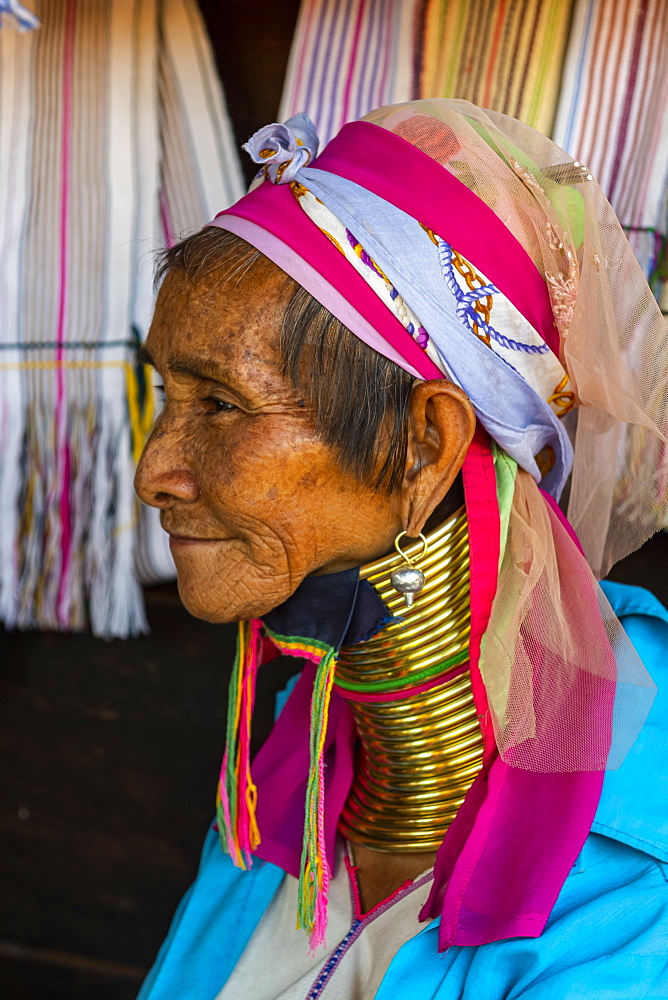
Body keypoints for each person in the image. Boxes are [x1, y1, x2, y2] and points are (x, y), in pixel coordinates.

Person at [133, 100, 668, 999]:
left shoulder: (638, 878)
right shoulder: (293, 770)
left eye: (221, 405)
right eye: (166, 397)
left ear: (424, 444)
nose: (156, 472)